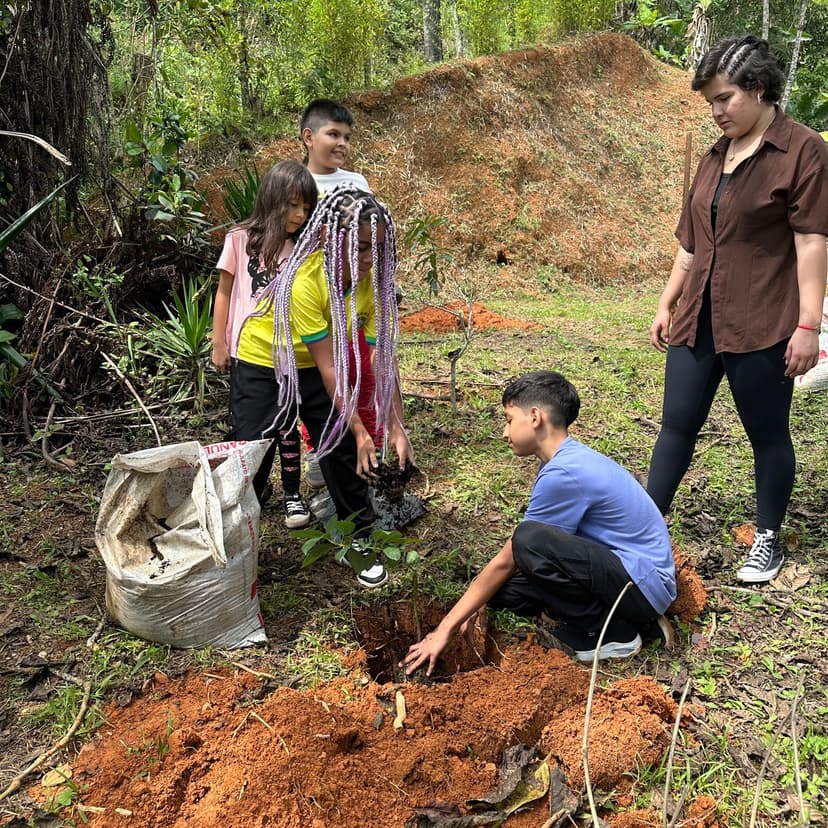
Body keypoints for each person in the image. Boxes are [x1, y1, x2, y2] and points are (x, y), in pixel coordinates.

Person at [646, 35, 828, 584]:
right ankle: (645, 526)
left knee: (767, 432)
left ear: (759, 88)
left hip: (762, 320)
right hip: (698, 316)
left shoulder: (802, 150)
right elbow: (692, 241)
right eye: (710, 103)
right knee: (676, 424)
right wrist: (668, 300)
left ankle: (767, 537)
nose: (717, 112)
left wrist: (808, 325)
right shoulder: (714, 156)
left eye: (724, 99)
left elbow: (812, 242)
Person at [402, 371, 676, 674]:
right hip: (624, 575)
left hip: (640, 585)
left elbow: (515, 553)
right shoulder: (564, 460)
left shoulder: (565, 473)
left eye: (508, 420)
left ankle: (613, 634)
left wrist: (445, 629)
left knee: (527, 540)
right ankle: (634, 622)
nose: (504, 432)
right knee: (504, 592)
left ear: (534, 417)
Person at [236, 186, 414, 588]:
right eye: (361, 248)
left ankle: (359, 539)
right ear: (332, 238)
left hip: (318, 366)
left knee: (342, 449)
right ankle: (236, 546)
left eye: (377, 250)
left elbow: (379, 360)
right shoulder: (306, 280)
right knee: (251, 455)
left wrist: (395, 425)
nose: (368, 259)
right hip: (266, 362)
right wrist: (362, 430)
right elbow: (330, 367)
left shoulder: (371, 284)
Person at [212, 160, 318, 527]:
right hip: (248, 354)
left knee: (288, 425)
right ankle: (250, 493)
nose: (300, 215)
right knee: (249, 429)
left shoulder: (304, 247)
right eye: (293, 205)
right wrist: (219, 342)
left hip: (291, 354)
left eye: (306, 207)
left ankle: (292, 494)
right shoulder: (239, 239)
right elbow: (224, 292)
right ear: (272, 199)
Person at [299, 99, 379, 490]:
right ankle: (318, 450)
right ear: (308, 137)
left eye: (347, 136)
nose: (342, 143)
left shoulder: (356, 182)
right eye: (333, 134)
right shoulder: (298, 186)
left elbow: (372, 232)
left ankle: (366, 445)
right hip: (311, 299)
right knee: (317, 380)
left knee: (358, 372)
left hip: (352, 296)